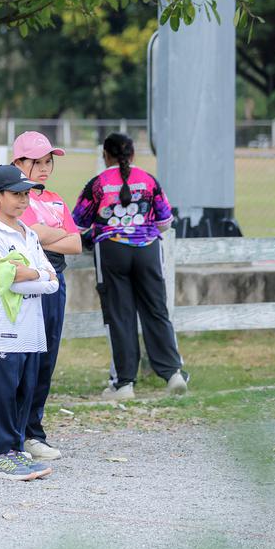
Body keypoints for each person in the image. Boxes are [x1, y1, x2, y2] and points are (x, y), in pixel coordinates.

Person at [72, 133, 188, 400]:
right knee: (156, 310)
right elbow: (165, 222)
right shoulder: (148, 180)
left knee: (119, 316)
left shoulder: (98, 184)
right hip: (147, 250)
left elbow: (77, 225)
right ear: (133, 155)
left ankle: (123, 385)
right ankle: (173, 375)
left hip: (112, 250)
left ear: (105, 156)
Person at [0, 164, 60, 481]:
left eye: (26, 194)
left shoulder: (29, 235)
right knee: (3, 391)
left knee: (24, 390)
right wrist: (36, 276)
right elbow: (10, 281)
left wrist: (35, 274)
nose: (24, 200)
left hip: (32, 329)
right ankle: (0, 454)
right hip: (6, 330)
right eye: (16, 194)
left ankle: (15, 450)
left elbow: (51, 280)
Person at [11, 132, 81, 461]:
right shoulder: (14, 197)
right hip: (29, 282)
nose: (44, 167)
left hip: (56, 279)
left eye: (48, 161)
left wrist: (43, 235)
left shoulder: (55, 199)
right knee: (25, 357)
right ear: (19, 163)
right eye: (37, 161)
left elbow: (75, 244)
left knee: (47, 356)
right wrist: (49, 235)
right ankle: (15, 432)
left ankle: (33, 431)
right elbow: (28, 237)